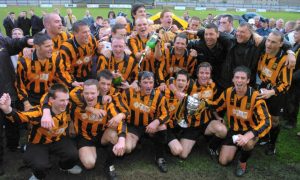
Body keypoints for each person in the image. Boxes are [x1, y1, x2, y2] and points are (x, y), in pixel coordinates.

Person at [0, 84, 82, 180]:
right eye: (62, 100)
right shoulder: (39, 112)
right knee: (40, 166)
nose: (65, 103)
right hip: (39, 143)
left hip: (58, 139)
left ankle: (64, 167)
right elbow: (19, 117)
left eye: (67, 99)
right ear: (51, 100)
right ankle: (38, 176)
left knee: (73, 155)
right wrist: (7, 109)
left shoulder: (69, 106)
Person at [215, 66, 271, 177]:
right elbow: (216, 106)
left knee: (248, 143)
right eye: (237, 77)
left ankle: (242, 161)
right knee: (223, 161)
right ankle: (236, 147)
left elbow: (266, 121)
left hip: (250, 130)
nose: (239, 80)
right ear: (233, 79)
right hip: (234, 129)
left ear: (248, 80)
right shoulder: (228, 93)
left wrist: (249, 135)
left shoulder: (256, 97)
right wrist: (217, 116)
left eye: (242, 78)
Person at [166, 66, 227, 159]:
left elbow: (212, 105)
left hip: (205, 122)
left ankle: (211, 147)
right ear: (197, 74)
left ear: (210, 75)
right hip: (191, 126)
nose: (204, 75)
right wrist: (176, 91)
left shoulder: (213, 86)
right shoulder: (189, 84)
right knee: (182, 155)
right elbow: (171, 81)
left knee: (222, 130)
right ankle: (182, 138)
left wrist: (217, 117)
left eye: (207, 73)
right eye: (201, 73)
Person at [71, 79, 127, 180]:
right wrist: (91, 109)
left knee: (114, 135)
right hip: (84, 137)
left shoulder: (107, 104)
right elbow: (71, 94)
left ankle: (109, 166)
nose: (89, 96)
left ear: (98, 92)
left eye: (92, 93)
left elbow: (120, 121)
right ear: (82, 93)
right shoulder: (76, 103)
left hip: (101, 135)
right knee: (89, 164)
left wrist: (122, 140)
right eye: (86, 93)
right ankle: (88, 151)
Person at [122, 71, 169, 173]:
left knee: (162, 127)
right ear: (139, 83)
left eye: (151, 82)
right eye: (145, 82)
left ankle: (160, 157)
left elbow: (166, 114)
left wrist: (156, 122)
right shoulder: (130, 92)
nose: (148, 85)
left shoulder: (158, 96)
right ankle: (137, 141)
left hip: (149, 126)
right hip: (133, 126)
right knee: (127, 148)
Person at [0, 34, 33, 175]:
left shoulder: (1, 40)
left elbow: (14, 43)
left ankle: (13, 145)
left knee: (11, 121)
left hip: (6, 90)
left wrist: (27, 40)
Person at [257, 31, 293, 155]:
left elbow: (286, 83)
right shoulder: (263, 52)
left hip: (277, 93)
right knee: (261, 113)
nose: (269, 44)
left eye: (273, 42)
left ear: (281, 44)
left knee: (274, 119)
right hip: (263, 87)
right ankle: (263, 137)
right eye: (268, 40)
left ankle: (272, 143)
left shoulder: (285, 60)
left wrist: (271, 92)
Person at [16, 33, 73, 109]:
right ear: (37, 47)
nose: (51, 48)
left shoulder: (56, 59)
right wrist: (26, 103)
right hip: (30, 97)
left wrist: (70, 88)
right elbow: (19, 85)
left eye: (51, 45)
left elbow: (62, 78)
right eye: (47, 46)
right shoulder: (23, 62)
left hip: (48, 94)